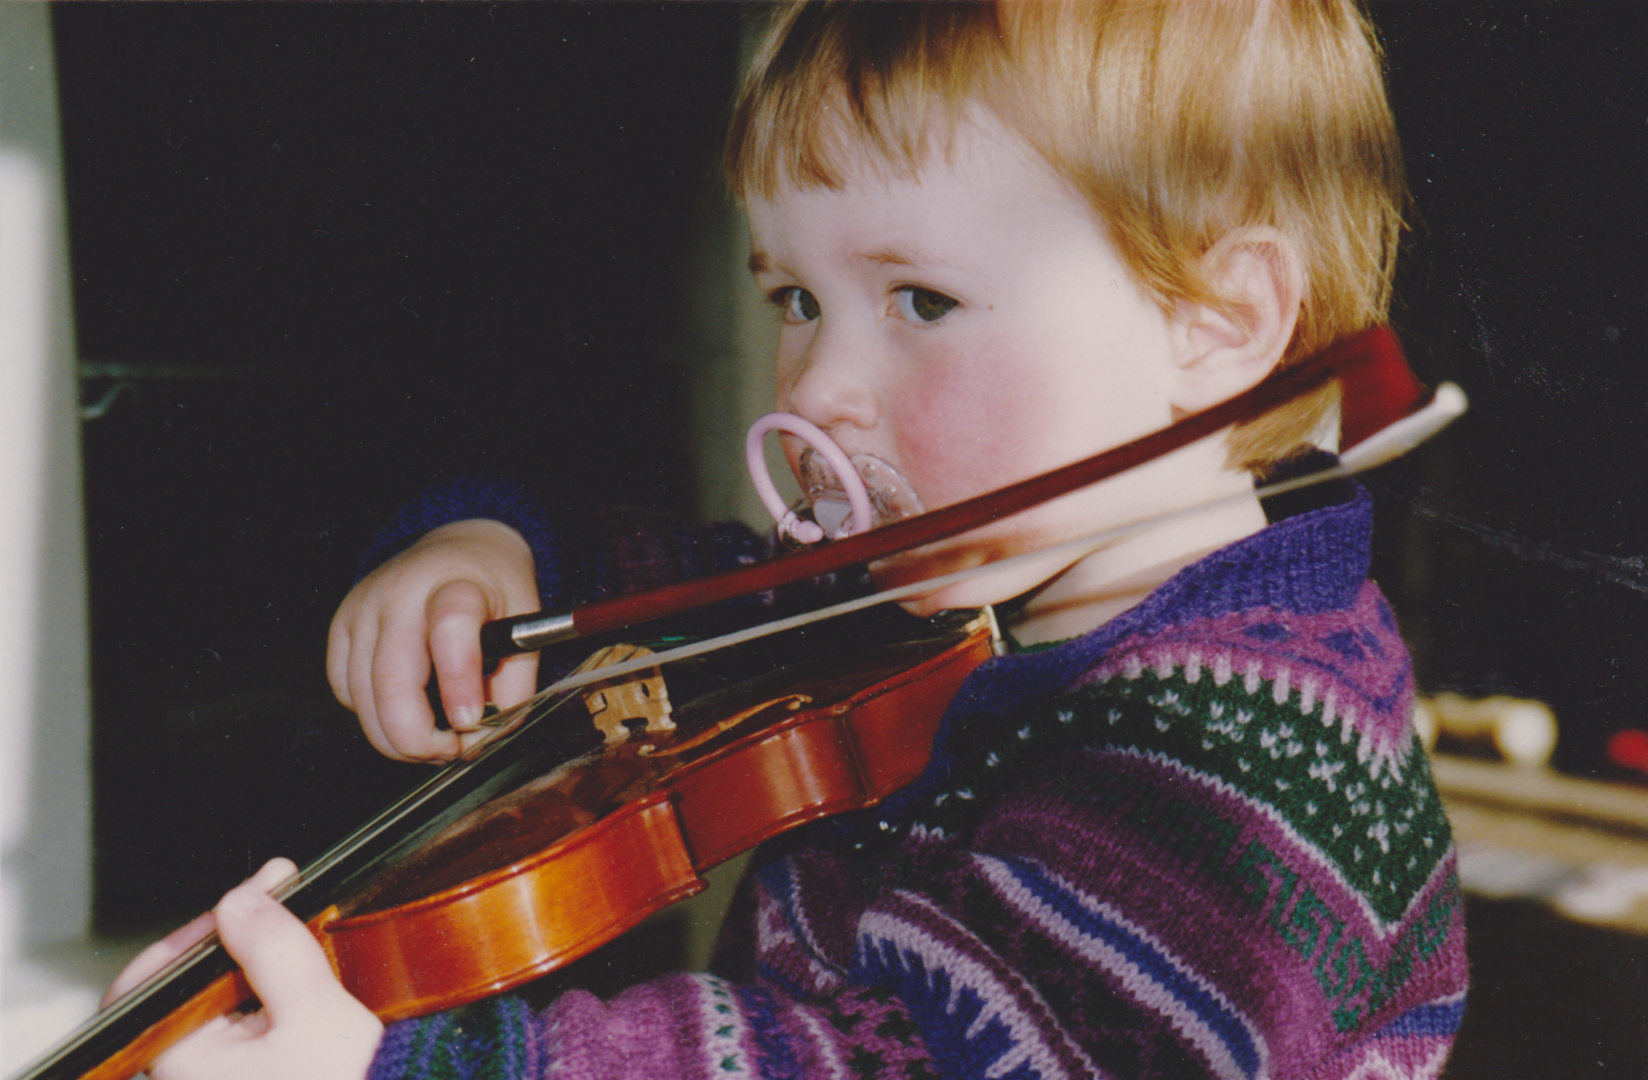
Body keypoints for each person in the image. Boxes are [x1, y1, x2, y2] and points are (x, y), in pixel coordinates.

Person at [108, 3, 1468, 1078]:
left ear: (1215, 326)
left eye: (920, 299)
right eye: (797, 296)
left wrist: (414, 1070)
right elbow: (704, 605)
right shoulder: (939, 596)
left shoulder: (1254, 760)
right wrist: (502, 558)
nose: (816, 387)